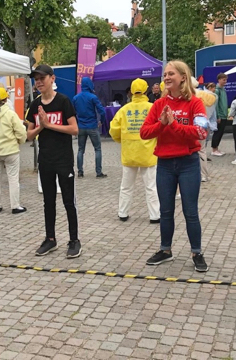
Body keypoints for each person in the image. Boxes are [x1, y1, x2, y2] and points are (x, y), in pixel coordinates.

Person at [140, 60, 209, 272]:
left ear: (183, 78)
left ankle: (196, 252)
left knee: (190, 211)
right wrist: (161, 123)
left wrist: (174, 125)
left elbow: (201, 133)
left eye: (171, 74)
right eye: (165, 75)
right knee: (166, 210)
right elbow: (144, 133)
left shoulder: (195, 103)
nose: (167, 78)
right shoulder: (159, 105)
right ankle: (165, 250)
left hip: (188, 163)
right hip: (165, 164)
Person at [26, 64, 81, 258]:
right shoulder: (35, 105)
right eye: (36, 79)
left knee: (68, 201)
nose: (39, 82)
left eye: (42, 78)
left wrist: (50, 124)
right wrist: (41, 127)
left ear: (52, 78)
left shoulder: (63, 101)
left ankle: (74, 240)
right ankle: (50, 239)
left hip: (64, 159)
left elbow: (75, 129)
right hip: (46, 160)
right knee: (48, 202)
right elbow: (29, 135)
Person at [110, 78, 160, 223]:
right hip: (148, 153)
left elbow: (113, 130)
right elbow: (160, 128)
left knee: (126, 186)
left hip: (129, 153)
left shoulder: (124, 110)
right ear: (146, 90)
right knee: (151, 187)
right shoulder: (152, 107)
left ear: (131, 91)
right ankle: (155, 215)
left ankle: (123, 213)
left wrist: (122, 141)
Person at [72, 77, 107, 178]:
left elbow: (72, 113)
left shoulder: (75, 98)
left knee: (80, 149)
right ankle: (98, 172)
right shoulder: (93, 97)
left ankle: (80, 172)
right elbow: (102, 111)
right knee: (97, 149)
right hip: (92, 126)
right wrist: (102, 121)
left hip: (81, 127)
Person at [193, 78, 217, 181]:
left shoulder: (188, 95)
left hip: (192, 125)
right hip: (204, 124)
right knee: (202, 150)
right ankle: (204, 174)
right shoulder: (206, 95)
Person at [211, 73, 228, 156]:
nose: (225, 81)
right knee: (217, 132)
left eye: (226, 80)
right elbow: (216, 104)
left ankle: (217, 148)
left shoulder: (223, 89)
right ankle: (214, 149)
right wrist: (218, 116)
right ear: (219, 80)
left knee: (221, 132)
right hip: (220, 115)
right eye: (223, 80)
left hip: (224, 114)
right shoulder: (217, 90)